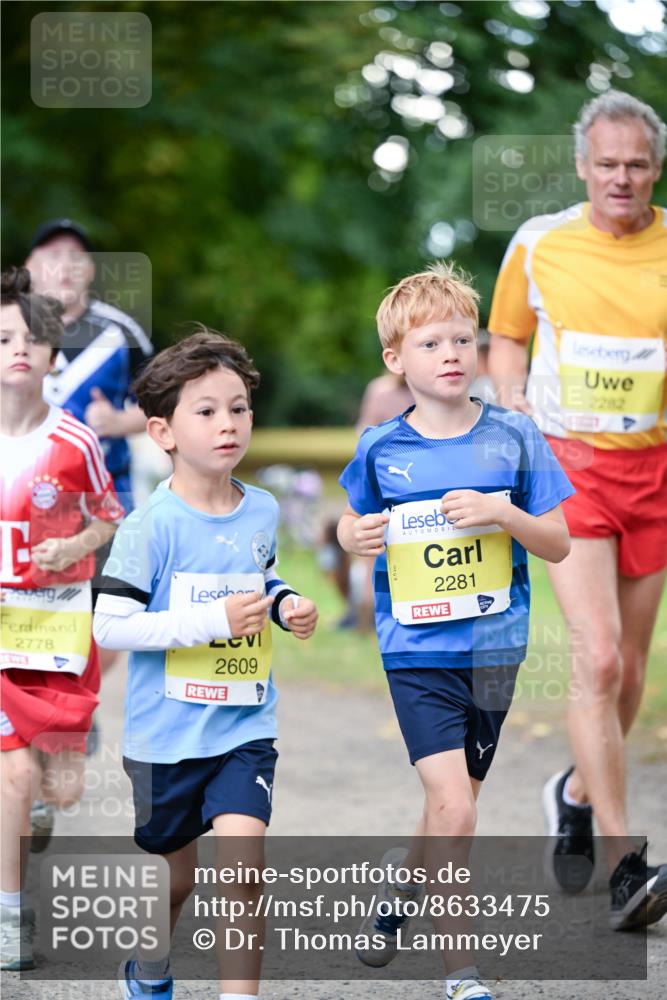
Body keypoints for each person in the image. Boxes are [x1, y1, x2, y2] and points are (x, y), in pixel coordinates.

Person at [337, 263, 572, 1000]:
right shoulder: (381, 448)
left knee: (450, 802)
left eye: (462, 339)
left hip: (494, 649)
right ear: (394, 359)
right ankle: (461, 972)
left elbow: (558, 541)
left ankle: (400, 894)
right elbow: (348, 522)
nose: (450, 353)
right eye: (431, 341)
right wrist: (353, 535)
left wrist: (502, 514)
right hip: (414, 651)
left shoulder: (514, 439)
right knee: (458, 807)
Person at [92, 329, 318, 1000]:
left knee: (243, 869)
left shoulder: (263, 510)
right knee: (178, 879)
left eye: (239, 408)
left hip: (243, 727)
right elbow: (111, 625)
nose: (229, 424)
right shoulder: (149, 525)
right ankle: (151, 967)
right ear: (161, 430)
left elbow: (261, 581)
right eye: (207, 411)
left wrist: (286, 605)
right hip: (165, 739)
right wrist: (210, 623)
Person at [487, 90, 667, 928]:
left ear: (654, 166)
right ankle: (627, 858)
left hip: (655, 471)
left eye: (635, 163)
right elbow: (505, 337)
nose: (620, 178)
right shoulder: (539, 244)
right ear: (581, 166)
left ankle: (569, 790)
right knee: (594, 661)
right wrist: (512, 399)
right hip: (570, 470)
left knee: (628, 669)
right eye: (606, 164)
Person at [0, 267, 124, 971]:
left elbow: (110, 518)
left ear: (52, 353)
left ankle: (35, 808)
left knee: (60, 788)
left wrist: (72, 544)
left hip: (55, 636)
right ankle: (10, 919)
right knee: (12, 780)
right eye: (1, 338)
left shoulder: (74, 442)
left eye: (30, 338)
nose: (17, 348)